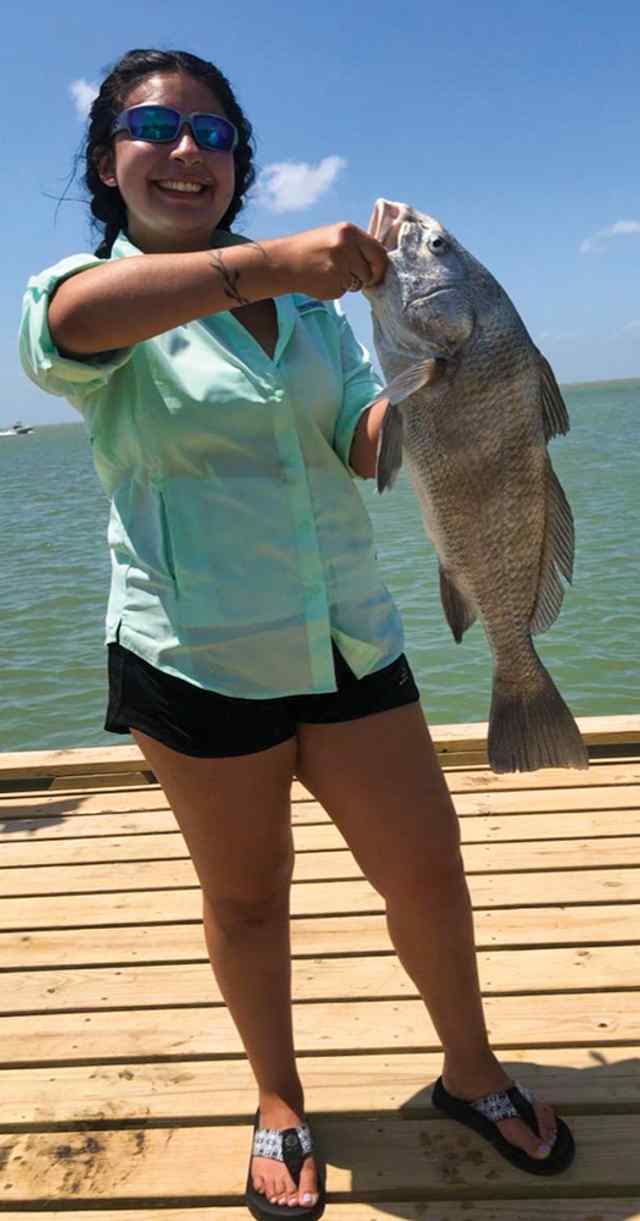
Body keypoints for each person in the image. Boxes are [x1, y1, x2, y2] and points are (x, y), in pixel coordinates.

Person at [20, 47, 575, 1221]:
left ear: (237, 162)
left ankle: (469, 1072)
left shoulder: (315, 317)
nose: (185, 152)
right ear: (107, 161)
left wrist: (452, 392)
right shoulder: (85, 289)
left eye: (212, 134)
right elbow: (72, 327)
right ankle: (278, 1099)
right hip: (198, 656)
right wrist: (268, 263)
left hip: (351, 644)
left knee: (427, 869)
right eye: (155, 127)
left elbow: (363, 445)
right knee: (249, 896)